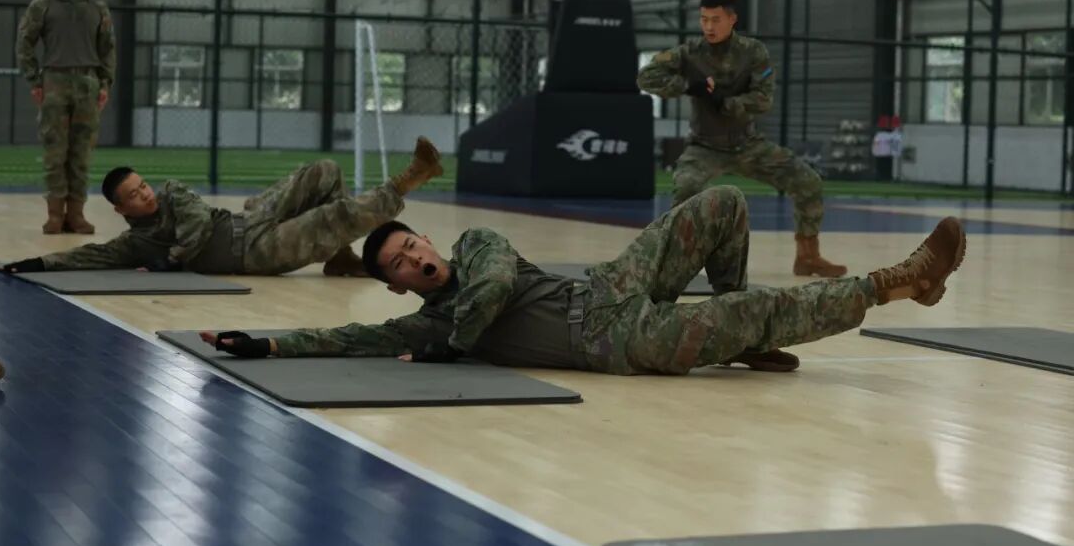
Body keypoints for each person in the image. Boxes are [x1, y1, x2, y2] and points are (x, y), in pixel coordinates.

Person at [201, 185, 966, 376]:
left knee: (723, 204)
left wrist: (456, 342)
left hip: (607, 283)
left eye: (409, 245)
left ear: (426, 238)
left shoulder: (478, 247)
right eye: (397, 265)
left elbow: (493, 286)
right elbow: (349, 338)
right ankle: (901, 280)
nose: (410, 259)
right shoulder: (425, 324)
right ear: (398, 285)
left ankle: (739, 338)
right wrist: (267, 343)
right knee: (766, 306)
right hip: (612, 337)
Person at [0, 138, 444, 277]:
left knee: (324, 171)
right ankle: (408, 179)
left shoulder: (173, 193)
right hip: (256, 252)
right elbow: (92, 256)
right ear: (120, 210)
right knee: (332, 217)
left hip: (251, 218)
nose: (145, 195)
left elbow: (195, 226)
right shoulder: (136, 243)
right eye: (134, 196)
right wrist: (37, 263)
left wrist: (172, 259)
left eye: (143, 186)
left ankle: (339, 257)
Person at [637, 0, 847, 278]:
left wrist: (725, 103)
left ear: (732, 19)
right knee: (686, 187)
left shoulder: (753, 52)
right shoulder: (689, 53)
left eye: (716, 20)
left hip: (747, 144)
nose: (709, 27)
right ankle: (673, 262)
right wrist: (687, 86)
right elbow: (645, 77)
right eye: (704, 19)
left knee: (807, 180)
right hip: (704, 147)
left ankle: (808, 256)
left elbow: (763, 99)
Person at [17, 0, 117, 235]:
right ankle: (55, 215)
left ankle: (76, 215)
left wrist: (105, 83)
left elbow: (108, 48)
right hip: (54, 83)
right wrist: (35, 80)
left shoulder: (97, 8)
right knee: (55, 151)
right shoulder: (43, 5)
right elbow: (25, 42)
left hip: (88, 83)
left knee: (81, 153)